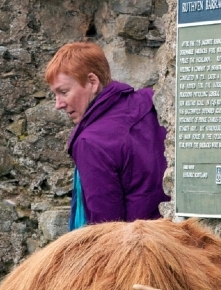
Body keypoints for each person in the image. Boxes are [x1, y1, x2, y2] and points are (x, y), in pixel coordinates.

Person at [45, 42, 170, 230]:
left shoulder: (91, 143)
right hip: (180, 238)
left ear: (92, 82)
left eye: (64, 92)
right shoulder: (154, 101)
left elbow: (105, 231)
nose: (58, 104)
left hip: (139, 252)